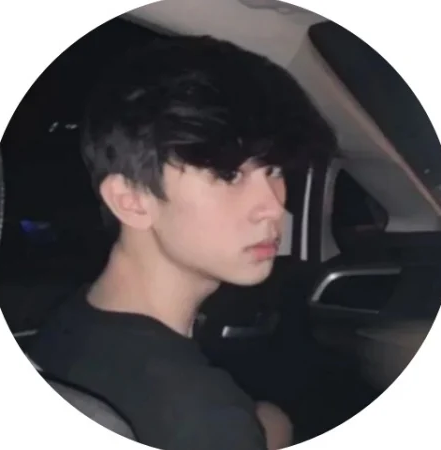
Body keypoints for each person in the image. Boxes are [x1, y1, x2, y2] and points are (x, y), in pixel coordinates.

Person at [27, 35, 336, 449]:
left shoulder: (72, 324)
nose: (273, 207)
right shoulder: (203, 417)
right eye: (229, 175)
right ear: (132, 200)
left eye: (274, 170)